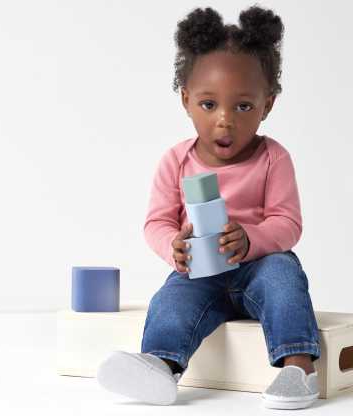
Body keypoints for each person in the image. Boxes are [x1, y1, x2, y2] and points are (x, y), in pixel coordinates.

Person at [97, 5, 321, 410]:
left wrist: (252, 238)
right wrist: (174, 247)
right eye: (208, 104)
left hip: (259, 264)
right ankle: (160, 365)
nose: (224, 120)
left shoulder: (273, 158)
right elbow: (157, 222)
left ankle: (298, 367)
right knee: (171, 299)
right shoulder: (176, 160)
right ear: (186, 100)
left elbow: (287, 223)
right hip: (200, 269)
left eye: (243, 106)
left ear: (267, 105)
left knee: (284, 280)